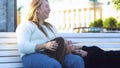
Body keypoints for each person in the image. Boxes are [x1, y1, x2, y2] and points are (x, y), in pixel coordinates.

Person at [16, 0, 84, 68]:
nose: (50, 9)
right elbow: (22, 47)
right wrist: (44, 46)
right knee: (53, 65)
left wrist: (73, 50)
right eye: (46, 6)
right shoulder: (26, 25)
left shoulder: (50, 27)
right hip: (31, 55)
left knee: (76, 60)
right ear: (37, 9)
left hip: (51, 54)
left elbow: (59, 43)